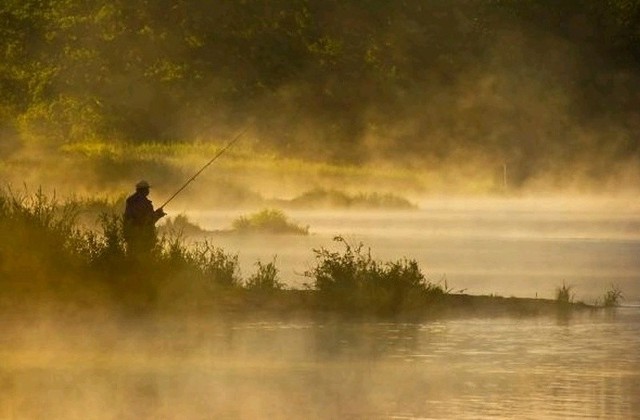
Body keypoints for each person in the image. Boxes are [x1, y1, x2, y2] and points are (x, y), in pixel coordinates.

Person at [123, 180, 166, 257]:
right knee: (143, 258)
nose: (148, 191)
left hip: (131, 235)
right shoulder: (145, 203)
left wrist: (156, 213)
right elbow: (147, 221)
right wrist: (158, 214)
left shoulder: (131, 201)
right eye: (147, 189)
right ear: (144, 190)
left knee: (131, 257)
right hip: (143, 237)